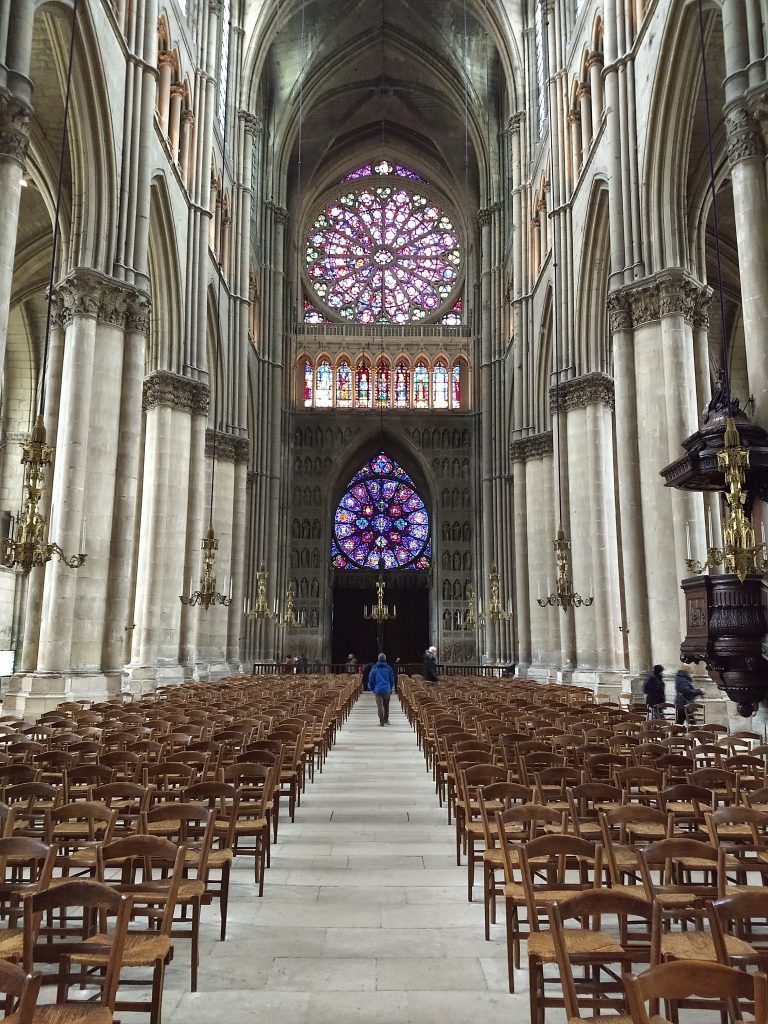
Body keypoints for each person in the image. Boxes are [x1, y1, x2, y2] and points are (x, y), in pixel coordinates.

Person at [367, 652, 395, 725]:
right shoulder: (388, 668)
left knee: (379, 706)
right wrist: (391, 687)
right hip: (386, 689)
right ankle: (386, 720)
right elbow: (392, 679)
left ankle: (381, 721)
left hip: (378, 690)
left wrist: (372, 688)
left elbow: (371, 679)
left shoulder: (374, 668)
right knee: (386, 706)